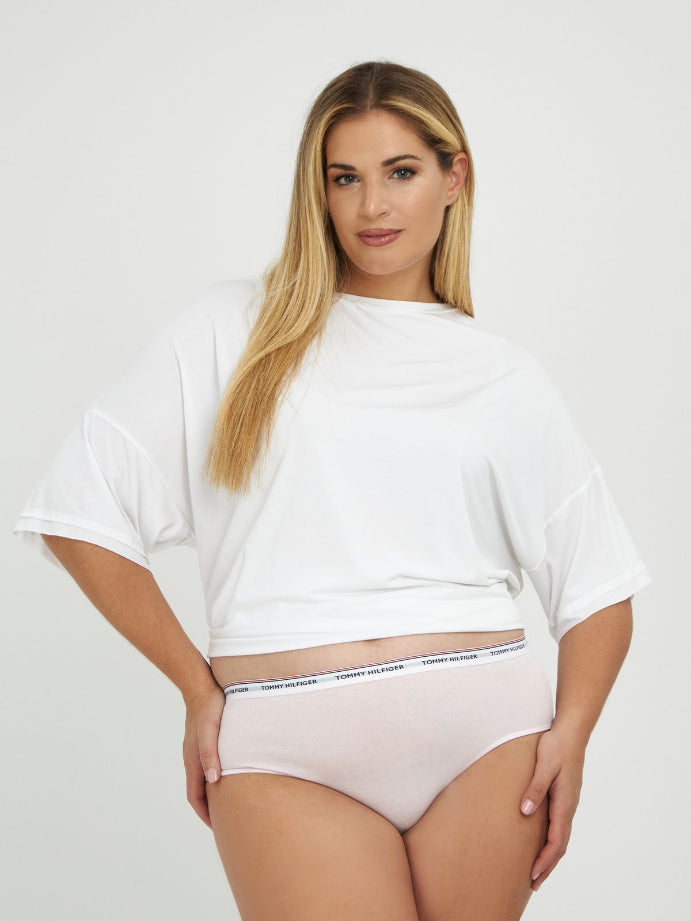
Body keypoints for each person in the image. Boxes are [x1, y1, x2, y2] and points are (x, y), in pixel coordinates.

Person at [12, 60, 652, 921]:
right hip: (284, 748)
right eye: (343, 177)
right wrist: (196, 688)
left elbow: (598, 587)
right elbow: (77, 513)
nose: (371, 206)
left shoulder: (503, 374)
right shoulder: (233, 329)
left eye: (400, 172)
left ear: (453, 176)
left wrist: (571, 732)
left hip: (485, 738)